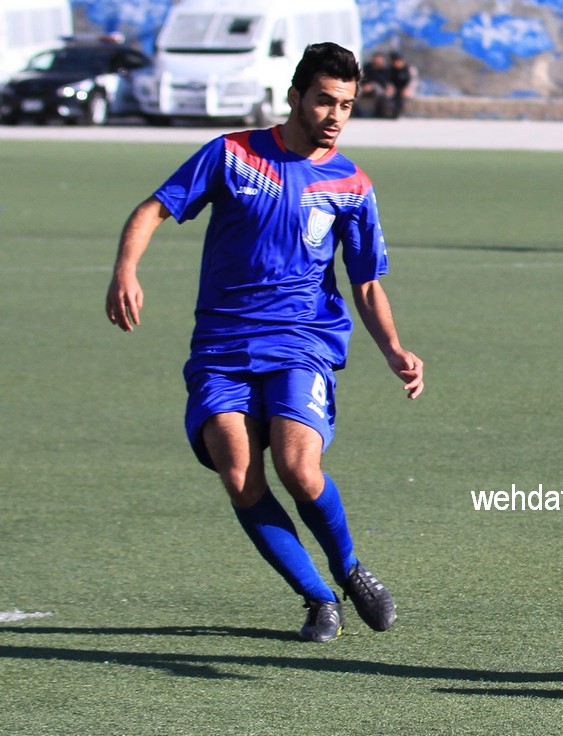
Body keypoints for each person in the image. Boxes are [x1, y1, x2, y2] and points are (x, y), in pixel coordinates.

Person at [105, 42, 424, 643]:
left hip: (301, 340)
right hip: (222, 347)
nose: (335, 115)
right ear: (295, 96)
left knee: (298, 468)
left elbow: (365, 282)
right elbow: (152, 210)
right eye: (324, 101)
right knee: (239, 476)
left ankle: (349, 568)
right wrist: (126, 270)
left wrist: (393, 348)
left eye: (346, 105)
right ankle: (318, 597)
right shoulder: (233, 155)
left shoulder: (351, 183)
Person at [360, 51, 396, 118]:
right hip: (366, 87)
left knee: (383, 95)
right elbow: (363, 78)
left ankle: (383, 113)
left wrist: (389, 88)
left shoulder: (386, 69)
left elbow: (388, 82)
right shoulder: (367, 67)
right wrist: (365, 85)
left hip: (381, 88)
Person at [389, 52, 413, 118]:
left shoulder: (409, 69)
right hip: (395, 89)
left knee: (401, 97)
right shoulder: (391, 70)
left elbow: (413, 81)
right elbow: (388, 80)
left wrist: (407, 88)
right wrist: (390, 86)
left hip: (405, 89)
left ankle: (400, 113)